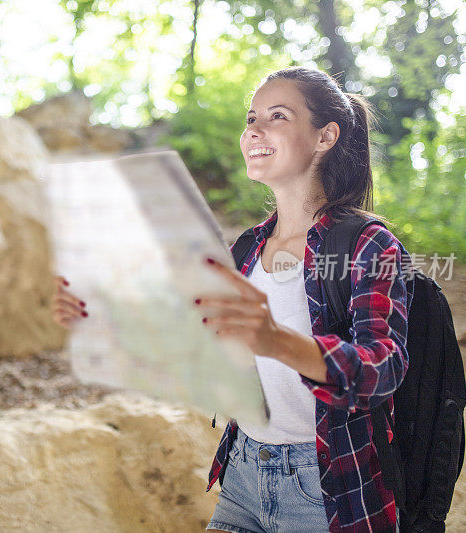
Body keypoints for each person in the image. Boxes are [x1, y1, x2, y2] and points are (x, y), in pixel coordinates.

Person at [51, 65, 413, 533]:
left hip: (328, 488)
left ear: (325, 137)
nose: (255, 131)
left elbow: (384, 367)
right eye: (251, 118)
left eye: (277, 116)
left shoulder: (368, 243)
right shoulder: (247, 249)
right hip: (242, 470)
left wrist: (275, 340)